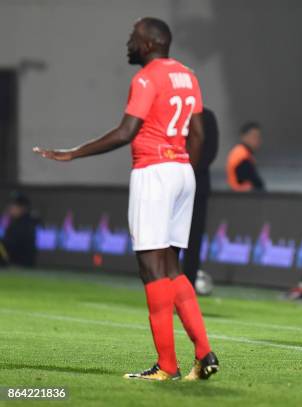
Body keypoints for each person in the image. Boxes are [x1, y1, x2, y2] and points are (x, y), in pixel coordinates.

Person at [33, 17, 218, 381]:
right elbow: (198, 133)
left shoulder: (147, 78)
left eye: (133, 38)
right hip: (183, 172)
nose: (129, 45)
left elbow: (125, 132)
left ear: (150, 43)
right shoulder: (187, 75)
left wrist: (72, 153)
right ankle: (204, 353)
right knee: (171, 268)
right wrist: (184, 171)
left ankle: (166, 366)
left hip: (154, 173)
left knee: (151, 269)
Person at [182, 108, 219, 288]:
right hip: (172, 185)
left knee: (193, 241)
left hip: (198, 186)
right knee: (166, 240)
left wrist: (186, 172)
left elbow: (210, 151)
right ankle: (165, 285)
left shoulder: (206, 116)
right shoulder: (174, 112)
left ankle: (187, 288)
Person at [0, 192, 38, 267]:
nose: (10, 208)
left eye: (14, 205)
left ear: (23, 208)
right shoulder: (15, 223)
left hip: (19, 266)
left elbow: (11, 246)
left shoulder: (26, 224)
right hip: (14, 265)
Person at [226, 122, 265, 191]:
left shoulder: (241, 152)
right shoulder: (242, 156)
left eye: (259, 137)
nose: (257, 140)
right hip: (243, 197)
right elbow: (255, 181)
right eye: (254, 136)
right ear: (243, 137)